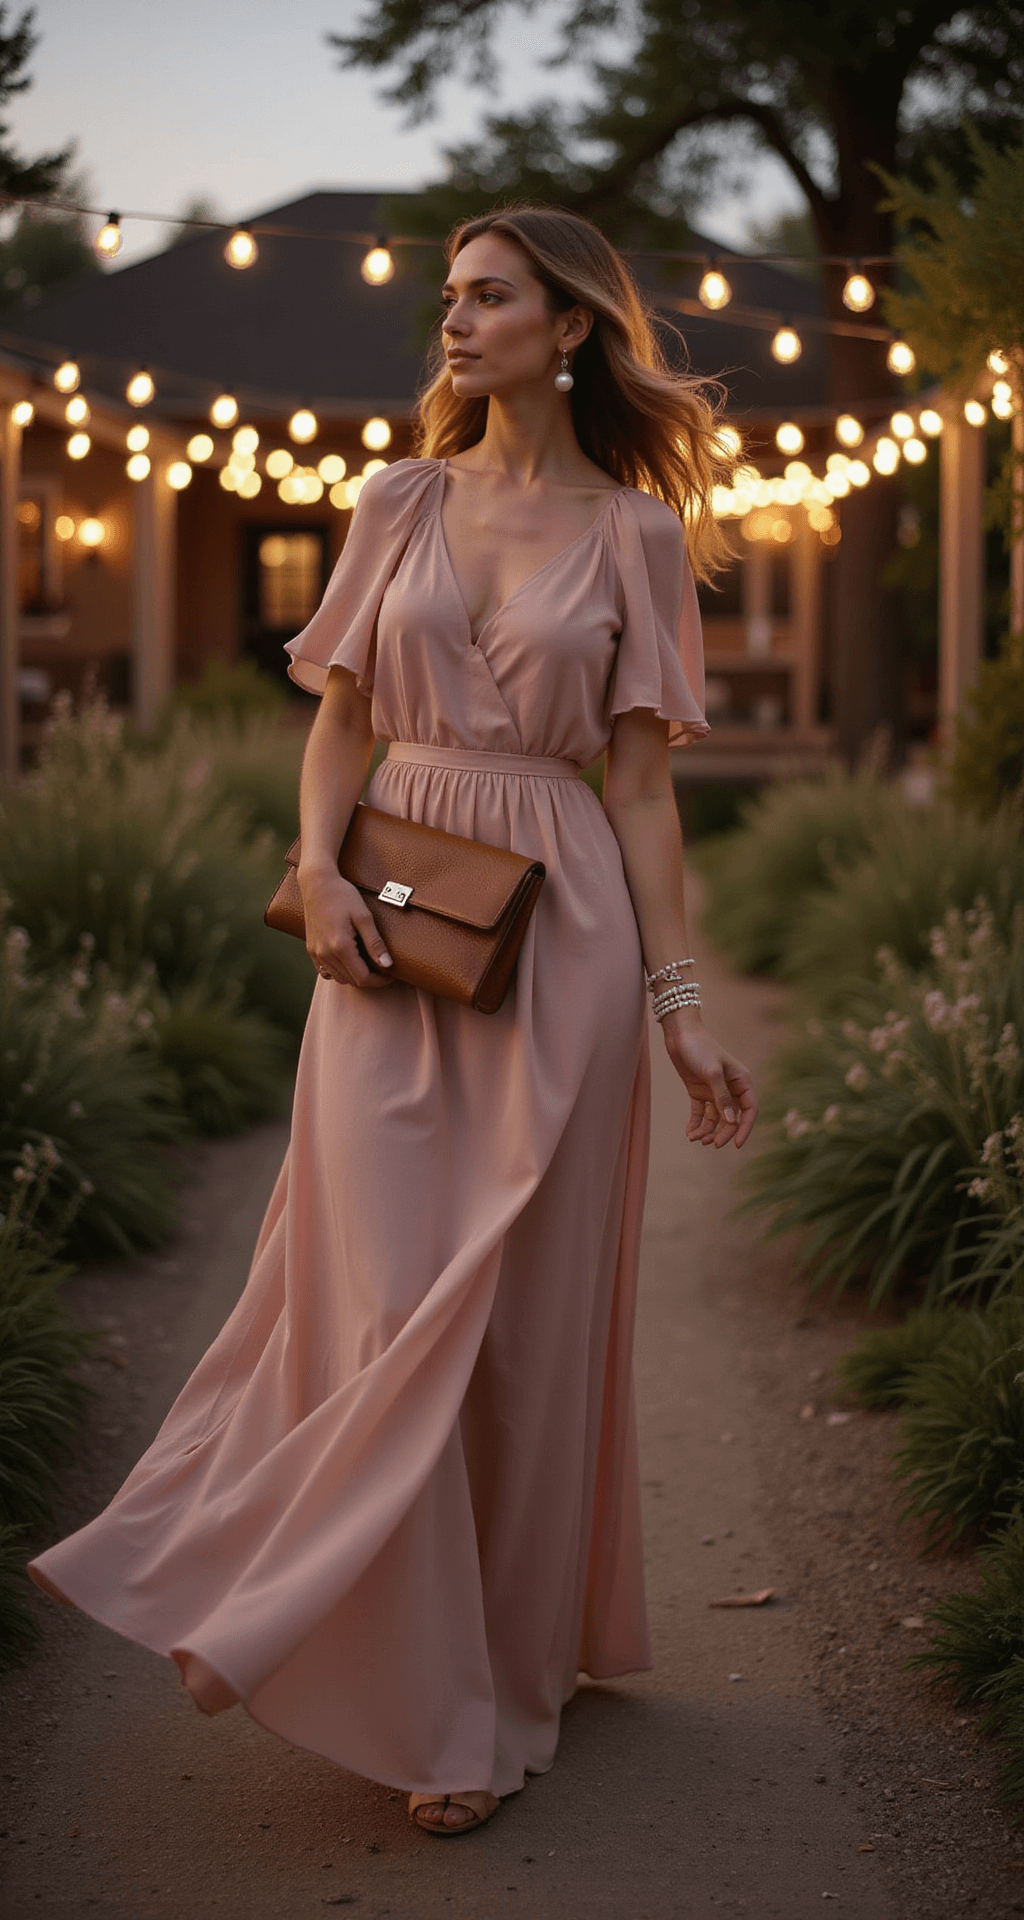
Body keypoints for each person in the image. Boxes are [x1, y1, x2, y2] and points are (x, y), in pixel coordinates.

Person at [28, 204, 757, 1838]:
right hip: (385, 929)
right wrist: (318, 874)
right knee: (376, 1296)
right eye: (448, 297)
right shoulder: (394, 498)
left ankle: (483, 1687)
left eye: (489, 297)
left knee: (517, 1314)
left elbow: (641, 795)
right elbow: (340, 726)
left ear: (569, 330)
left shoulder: (636, 534)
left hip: (557, 928)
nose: (455, 320)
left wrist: (680, 1008)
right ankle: (334, 1618)